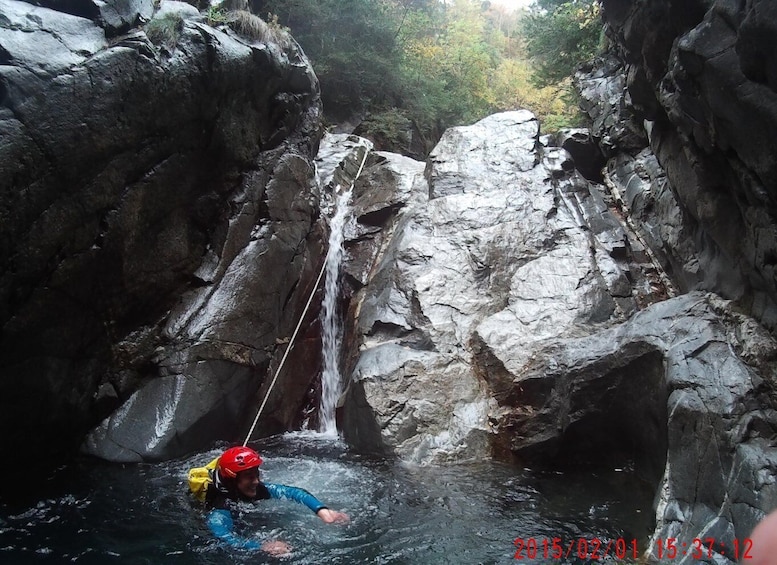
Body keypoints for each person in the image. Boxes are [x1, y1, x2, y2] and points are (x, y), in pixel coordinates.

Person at [197, 446, 349, 556]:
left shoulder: (253, 488)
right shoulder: (220, 509)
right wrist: (261, 546)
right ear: (232, 481)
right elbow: (224, 537)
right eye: (250, 477)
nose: (256, 481)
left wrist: (322, 510)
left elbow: (294, 493)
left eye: (257, 474)